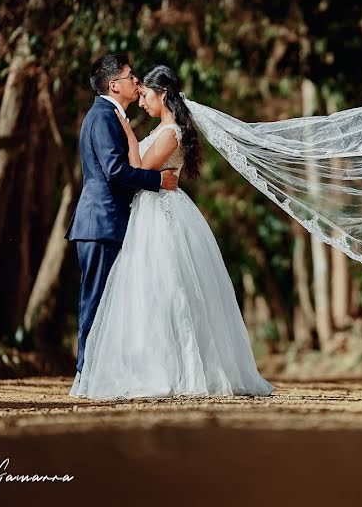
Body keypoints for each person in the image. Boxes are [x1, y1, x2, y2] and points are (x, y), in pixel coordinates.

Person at [69, 64, 273, 399]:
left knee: (167, 292)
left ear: (163, 94)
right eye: (136, 86)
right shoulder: (117, 118)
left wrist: (133, 137)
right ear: (113, 84)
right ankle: (96, 372)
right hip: (137, 214)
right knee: (146, 294)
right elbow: (128, 171)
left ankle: (169, 369)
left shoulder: (169, 132)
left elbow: (137, 169)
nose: (143, 98)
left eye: (147, 93)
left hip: (160, 216)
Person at [65, 54, 179, 378]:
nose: (137, 82)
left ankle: (102, 373)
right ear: (114, 85)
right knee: (96, 300)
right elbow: (115, 171)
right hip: (100, 222)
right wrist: (157, 180)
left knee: (109, 302)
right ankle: (86, 374)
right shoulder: (103, 116)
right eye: (131, 77)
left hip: (108, 221)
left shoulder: (112, 116)